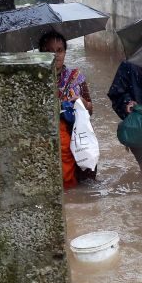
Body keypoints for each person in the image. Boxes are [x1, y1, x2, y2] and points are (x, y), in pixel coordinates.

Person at [39, 31, 95, 189]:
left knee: (84, 186)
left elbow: (90, 109)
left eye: (59, 50)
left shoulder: (76, 76)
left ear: (65, 52)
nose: (55, 55)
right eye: (49, 51)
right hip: (49, 140)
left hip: (78, 138)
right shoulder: (36, 80)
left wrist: (81, 102)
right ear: (41, 53)